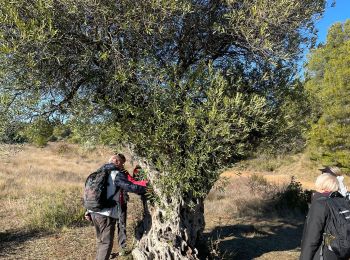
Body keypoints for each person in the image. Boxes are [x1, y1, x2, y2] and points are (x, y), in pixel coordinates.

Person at [85, 154, 146, 260]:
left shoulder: (98, 172)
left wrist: (87, 210)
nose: (123, 166)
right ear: (116, 162)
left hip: (94, 211)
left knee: (101, 241)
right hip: (106, 214)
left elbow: (89, 192)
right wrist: (148, 188)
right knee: (106, 243)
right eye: (122, 163)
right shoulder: (116, 174)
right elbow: (130, 187)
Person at [300, 173, 340, 260]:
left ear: (321, 184)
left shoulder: (320, 203)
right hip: (338, 252)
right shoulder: (341, 201)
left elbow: (312, 237)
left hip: (322, 254)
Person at [114, 159, 148, 256]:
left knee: (116, 225)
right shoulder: (126, 172)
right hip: (119, 203)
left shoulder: (109, 172)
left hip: (114, 203)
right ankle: (121, 248)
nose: (123, 165)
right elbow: (132, 183)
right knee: (121, 225)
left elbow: (132, 181)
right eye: (122, 162)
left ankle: (117, 248)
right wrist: (146, 185)